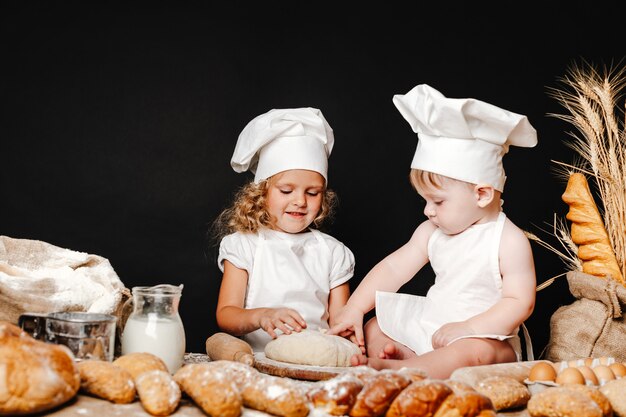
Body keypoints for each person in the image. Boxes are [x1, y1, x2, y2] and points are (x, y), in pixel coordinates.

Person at [327, 84, 538, 379]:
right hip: (431, 328)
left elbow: (519, 302)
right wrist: (354, 308)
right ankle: (408, 357)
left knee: (475, 353)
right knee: (375, 325)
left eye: (437, 201)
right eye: (425, 200)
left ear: (481, 194)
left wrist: (470, 329)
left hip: (485, 337)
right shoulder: (431, 231)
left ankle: (403, 369)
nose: (428, 210)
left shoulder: (508, 239)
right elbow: (392, 268)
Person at [213, 107, 355, 352]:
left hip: (316, 364)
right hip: (258, 363)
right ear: (261, 193)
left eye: (312, 193)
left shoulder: (333, 252)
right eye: (286, 191)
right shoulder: (244, 245)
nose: (300, 201)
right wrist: (262, 316)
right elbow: (226, 314)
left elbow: (340, 322)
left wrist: (349, 339)